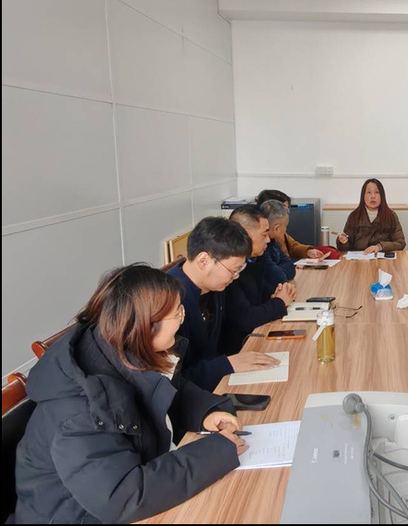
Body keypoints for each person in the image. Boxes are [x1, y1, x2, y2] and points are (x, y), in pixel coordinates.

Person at [14, 264, 248, 524]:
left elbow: (165, 393)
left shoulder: (119, 351)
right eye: (177, 313)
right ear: (146, 325)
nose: (182, 320)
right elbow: (122, 497)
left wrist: (206, 412)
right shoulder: (80, 408)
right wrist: (215, 452)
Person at [167, 217, 279, 391]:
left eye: (239, 270)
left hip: (220, 383)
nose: (236, 277)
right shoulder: (167, 302)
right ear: (203, 261)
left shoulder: (215, 286)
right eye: (233, 271)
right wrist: (226, 365)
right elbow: (172, 382)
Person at [224, 205, 297, 353]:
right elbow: (246, 318)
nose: (268, 240)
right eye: (264, 235)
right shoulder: (229, 271)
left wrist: (275, 297)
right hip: (239, 350)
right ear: (244, 236)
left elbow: (265, 294)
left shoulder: (252, 260)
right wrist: (279, 302)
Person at [336, 178, 406, 253]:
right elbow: (346, 248)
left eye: (377, 192)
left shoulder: (390, 216)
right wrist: (344, 241)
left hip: (382, 257)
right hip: (360, 258)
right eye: (369, 192)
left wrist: (380, 247)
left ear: (382, 196)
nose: (373, 196)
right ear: (363, 196)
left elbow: (400, 243)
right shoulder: (354, 216)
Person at [255, 189, 325, 260]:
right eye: (284, 208)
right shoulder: (262, 242)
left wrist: (308, 251)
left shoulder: (280, 230)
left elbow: (293, 246)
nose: (287, 212)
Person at [259, 200, 298, 284]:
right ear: (276, 228)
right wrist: (278, 271)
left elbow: (290, 266)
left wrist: (277, 270)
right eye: (285, 226)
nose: (286, 230)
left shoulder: (273, 242)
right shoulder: (261, 248)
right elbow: (278, 278)